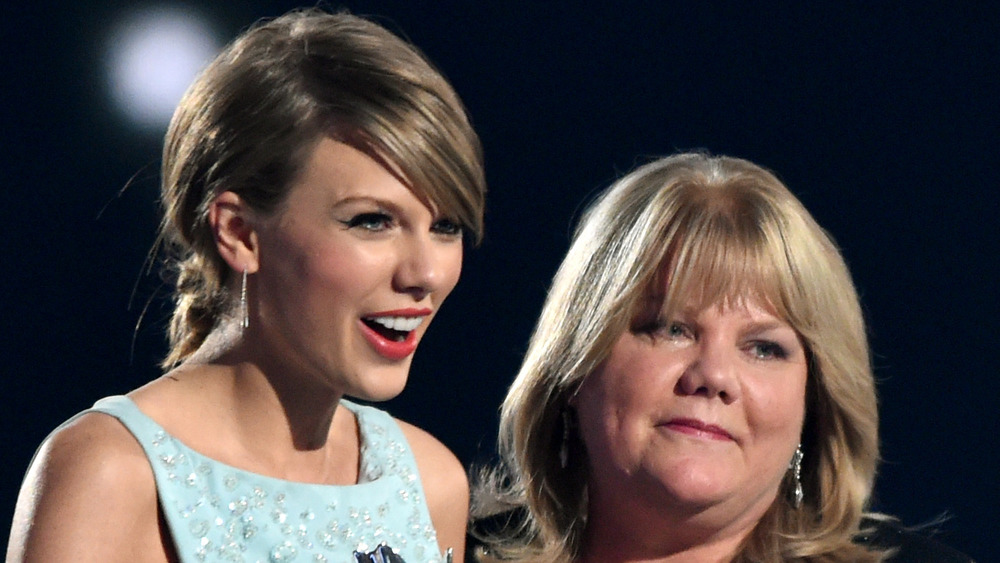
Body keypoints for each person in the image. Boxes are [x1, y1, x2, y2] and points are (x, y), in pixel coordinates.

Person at [8, 8, 485, 563]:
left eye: (445, 227)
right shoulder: (111, 474)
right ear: (238, 232)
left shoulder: (430, 485)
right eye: (372, 221)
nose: (425, 274)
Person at [470, 153, 971, 562]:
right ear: (575, 367)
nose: (713, 375)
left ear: (814, 405)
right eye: (671, 328)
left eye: (763, 348)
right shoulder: (440, 547)